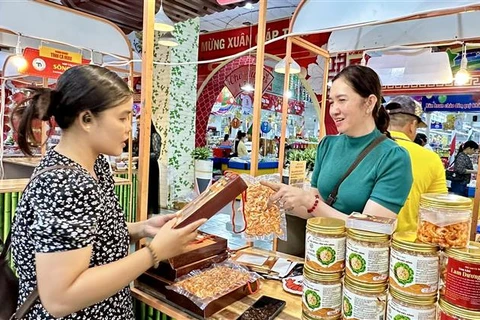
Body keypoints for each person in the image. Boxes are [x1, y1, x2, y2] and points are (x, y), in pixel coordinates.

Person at [10, 65, 205, 319]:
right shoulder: (65, 184)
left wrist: (143, 228)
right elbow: (59, 298)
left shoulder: (95, 165)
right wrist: (154, 252)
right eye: (122, 118)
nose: (129, 128)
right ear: (87, 120)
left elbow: (91, 235)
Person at [262, 65, 413, 256]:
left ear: (369, 103)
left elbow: (371, 230)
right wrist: (284, 201)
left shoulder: (393, 157)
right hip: (321, 255)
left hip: (361, 265)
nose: (333, 110)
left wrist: (310, 201)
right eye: (332, 102)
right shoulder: (327, 145)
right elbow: (314, 210)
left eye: (342, 100)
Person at [385, 96, 448, 233]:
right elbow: (438, 210)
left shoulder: (368, 148)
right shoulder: (431, 159)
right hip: (407, 244)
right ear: (412, 125)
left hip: (362, 238)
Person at [149, 121, 161, 215]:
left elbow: (156, 154)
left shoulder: (154, 136)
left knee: (152, 190)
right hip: (146, 165)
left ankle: (150, 212)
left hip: (152, 165)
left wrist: (142, 156)